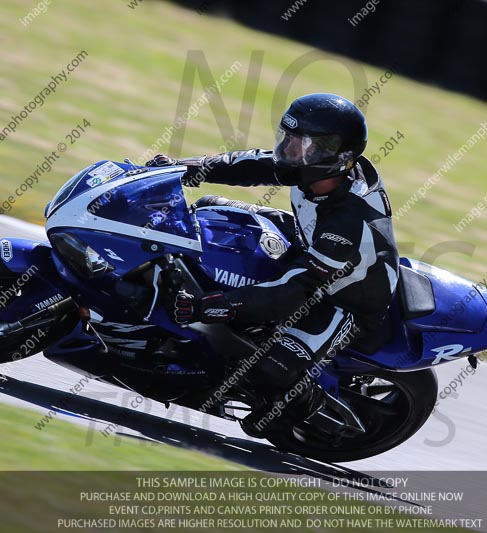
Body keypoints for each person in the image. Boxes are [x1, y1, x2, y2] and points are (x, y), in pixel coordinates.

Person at [147, 93, 399, 437]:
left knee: (271, 369)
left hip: (345, 298)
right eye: (288, 138)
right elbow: (253, 165)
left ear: (335, 156)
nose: (288, 151)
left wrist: (215, 306)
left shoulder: (348, 221)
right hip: (309, 242)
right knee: (211, 209)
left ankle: (311, 409)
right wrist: (185, 168)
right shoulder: (324, 172)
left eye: (303, 146)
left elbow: (294, 292)